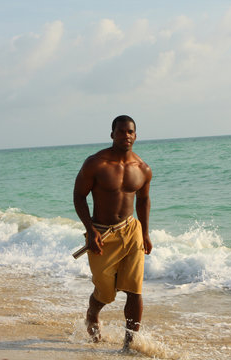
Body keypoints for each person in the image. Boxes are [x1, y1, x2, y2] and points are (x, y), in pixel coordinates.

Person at [73, 115, 152, 350]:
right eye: (121, 131)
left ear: (135, 135)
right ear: (112, 134)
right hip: (101, 234)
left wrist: (145, 233)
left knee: (134, 289)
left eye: (130, 132)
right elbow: (79, 196)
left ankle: (129, 345)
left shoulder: (143, 168)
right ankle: (92, 313)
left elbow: (144, 200)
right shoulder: (96, 163)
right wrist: (89, 230)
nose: (126, 136)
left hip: (131, 231)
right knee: (106, 292)